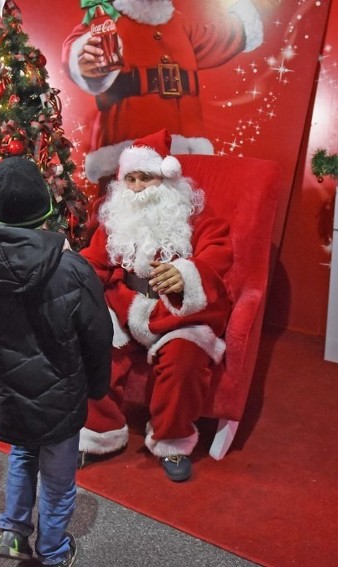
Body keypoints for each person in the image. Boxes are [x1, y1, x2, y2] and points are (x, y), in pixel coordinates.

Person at [0, 156, 112, 566]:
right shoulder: (73, 268)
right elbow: (98, 334)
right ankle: (54, 551)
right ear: (44, 211)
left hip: (10, 395)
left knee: (23, 455)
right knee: (59, 482)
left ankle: (12, 531)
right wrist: (97, 385)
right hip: (61, 399)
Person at [79, 128, 233, 482]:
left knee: (185, 358)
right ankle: (100, 433)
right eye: (129, 179)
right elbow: (95, 261)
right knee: (93, 340)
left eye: (144, 177)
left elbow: (218, 253)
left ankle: (172, 440)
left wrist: (187, 275)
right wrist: (71, 272)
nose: (136, 188)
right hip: (126, 305)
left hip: (176, 313)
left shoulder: (193, 216)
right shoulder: (115, 221)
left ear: (165, 179)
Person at [62, 0, 278, 184]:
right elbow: (77, 48)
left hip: (187, 160)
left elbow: (220, 38)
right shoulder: (105, 21)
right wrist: (86, 60)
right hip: (129, 162)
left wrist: (251, 14)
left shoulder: (180, 24)